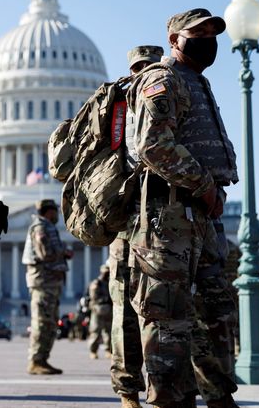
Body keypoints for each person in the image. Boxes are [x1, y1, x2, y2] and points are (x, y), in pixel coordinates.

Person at [125, 8, 239, 408]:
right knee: (168, 314)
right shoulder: (163, 79)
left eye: (213, 33)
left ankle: (218, 393)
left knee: (216, 307)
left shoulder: (197, 82)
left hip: (202, 215)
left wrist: (213, 191)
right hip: (170, 215)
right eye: (198, 32)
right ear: (174, 39)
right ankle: (169, 400)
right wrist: (204, 184)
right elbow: (152, 145)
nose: (209, 39)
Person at [107, 45, 164, 408]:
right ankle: (129, 390)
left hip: (163, 222)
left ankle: (165, 388)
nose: (144, 74)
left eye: (149, 68)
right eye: (138, 68)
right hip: (127, 221)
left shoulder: (170, 100)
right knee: (126, 311)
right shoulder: (115, 108)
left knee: (163, 309)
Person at [22, 199, 73, 375]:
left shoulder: (46, 226)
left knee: (50, 323)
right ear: (48, 211)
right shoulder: (40, 227)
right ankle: (36, 361)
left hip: (50, 282)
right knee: (42, 323)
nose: (58, 215)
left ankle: (42, 359)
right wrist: (63, 252)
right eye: (55, 211)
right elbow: (44, 253)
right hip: (43, 282)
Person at [88, 265, 113, 359]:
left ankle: (108, 350)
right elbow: (93, 297)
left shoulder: (110, 282)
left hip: (109, 309)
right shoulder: (96, 283)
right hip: (98, 310)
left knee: (109, 332)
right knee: (95, 331)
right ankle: (93, 351)